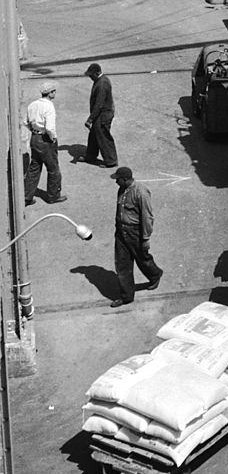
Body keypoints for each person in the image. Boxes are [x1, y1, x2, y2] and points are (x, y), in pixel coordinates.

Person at [110, 167, 162, 308]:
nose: (116, 182)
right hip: (121, 232)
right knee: (122, 265)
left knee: (142, 259)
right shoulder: (122, 189)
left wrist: (145, 238)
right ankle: (126, 296)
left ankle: (155, 274)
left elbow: (147, 216)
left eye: (118, 179)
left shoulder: (141, 193)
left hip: (135, 233)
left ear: (125, 179)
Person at [24, 80, 66, 205]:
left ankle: (27, 196)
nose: (55, 93)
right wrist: (53, 138)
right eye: (54, 91)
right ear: (50, 93)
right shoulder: (49, 106)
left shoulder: (32, 105)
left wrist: (34, 130)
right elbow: (50, 128)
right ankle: (53, 196)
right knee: (53, 169)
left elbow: (26, 122)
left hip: (34, 138)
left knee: (34, 167)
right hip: (45, 140)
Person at [84, 63, 118, 167]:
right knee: (94, 134)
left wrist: (90, 119)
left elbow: (99, 104)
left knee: (103, 137)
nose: (90, 77)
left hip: (103, 114)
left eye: (91, 75)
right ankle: (90, 156)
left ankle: (111, 161)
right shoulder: (99, 80)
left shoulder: (102, 84)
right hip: (99, 113)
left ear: (97, 73)